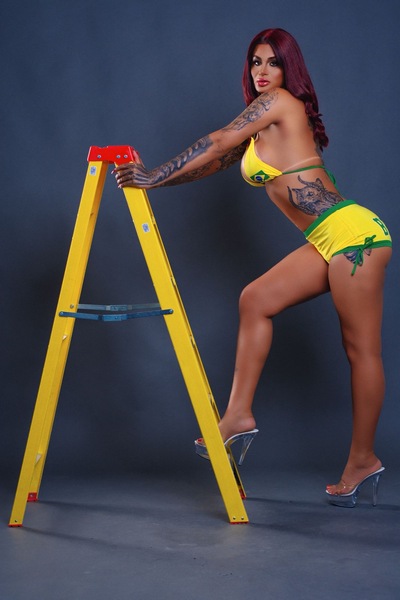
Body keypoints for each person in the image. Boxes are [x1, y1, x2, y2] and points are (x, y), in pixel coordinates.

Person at [114, 28, 392, 507]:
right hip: (325, 240)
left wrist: (154, 174)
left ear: (288, 70)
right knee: (255, 299)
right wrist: (154, 184)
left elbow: (219, 139)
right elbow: (215, 159)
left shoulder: (280, 102)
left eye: (272, 63)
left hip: (355, 237)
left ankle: (363, 460)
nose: (262, 71)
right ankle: (238, 416)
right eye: (256, 62)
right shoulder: (263, 126)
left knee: (360, 351)